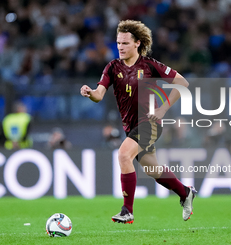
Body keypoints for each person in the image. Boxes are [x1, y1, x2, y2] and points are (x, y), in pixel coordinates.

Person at [80, 20, 196, 224]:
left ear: (137, 44)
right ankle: (185, 192)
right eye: (118, 43)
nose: (120, 47)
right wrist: (90, 93)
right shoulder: (112, 67)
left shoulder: (150, 65)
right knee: (152, 169)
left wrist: (162, 109)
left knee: (124, 155)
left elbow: (182, 83)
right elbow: (99, 94)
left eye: (125, 43)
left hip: (150, 123)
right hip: (130, 127)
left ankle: (127, 210)